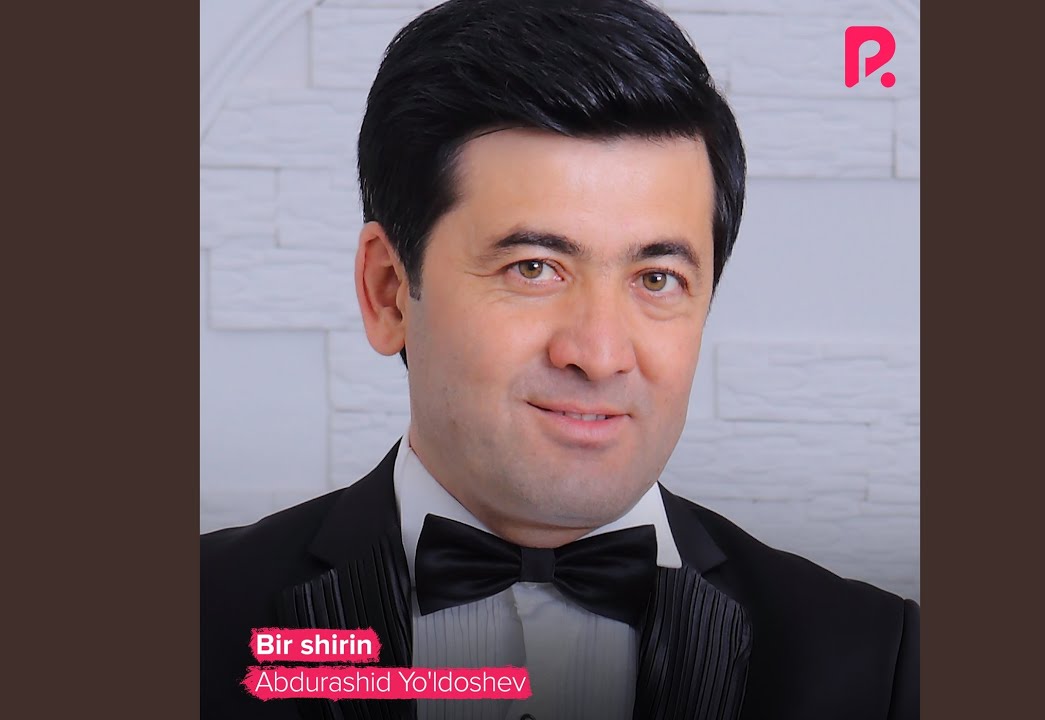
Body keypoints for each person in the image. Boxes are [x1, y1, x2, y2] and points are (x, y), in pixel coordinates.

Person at [201, 1, 919, 718]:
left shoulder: (875, 661)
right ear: (389, 292)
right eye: (533, 268)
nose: (599, 355)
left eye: (656, 279)